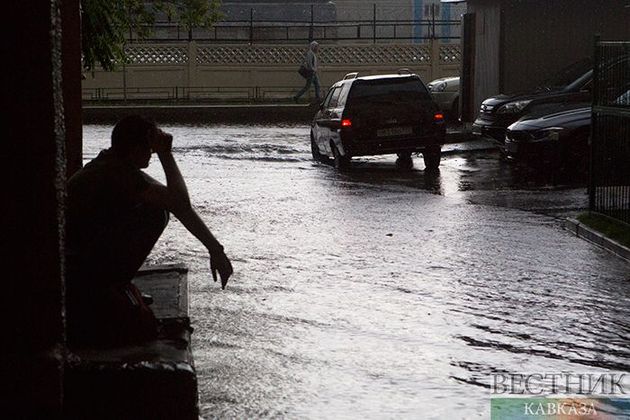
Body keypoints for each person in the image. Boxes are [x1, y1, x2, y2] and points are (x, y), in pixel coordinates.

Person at [66, 115, 233, 345]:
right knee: (155, 213)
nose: (152, 154)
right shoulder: (116, 172)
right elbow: (179, 203)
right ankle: (112, 285)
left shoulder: (114, 165)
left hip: (76, 260)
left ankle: (114, 282)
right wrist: (167, 154)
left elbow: (178, 206)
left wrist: (215, 249)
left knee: (159, 208)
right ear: (136, 149)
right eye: (150, 148)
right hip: (77, 268)